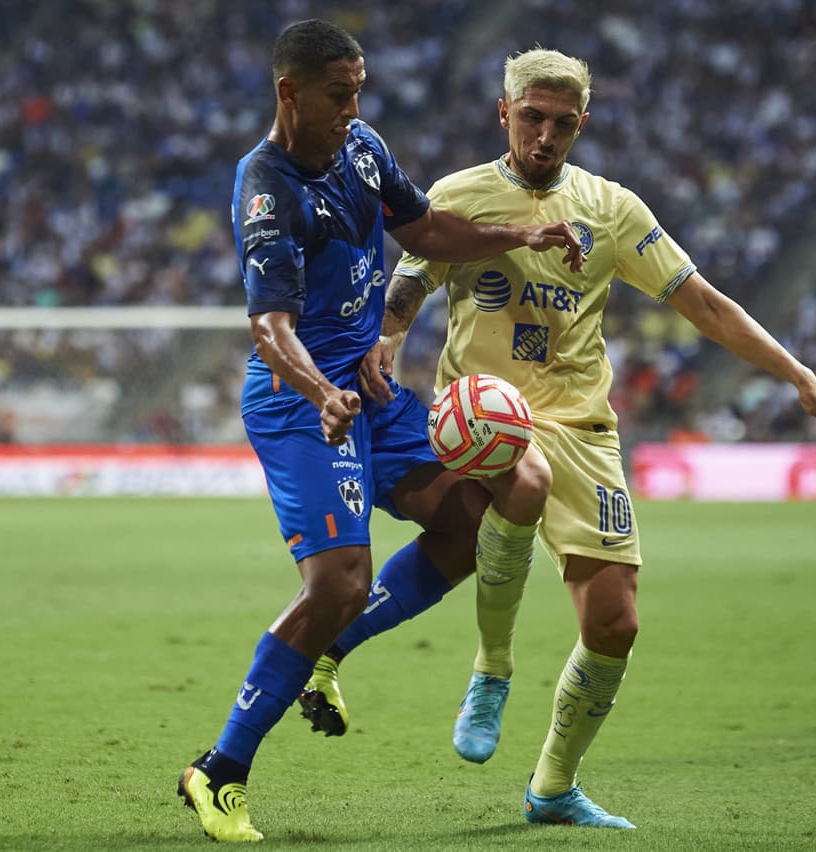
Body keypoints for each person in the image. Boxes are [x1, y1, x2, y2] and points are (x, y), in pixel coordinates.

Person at [300, 46, 816, 830]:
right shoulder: (459, 194)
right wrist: (391, 337)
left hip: (585, 427)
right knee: (521, 478)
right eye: (531, 117)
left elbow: (702, 303)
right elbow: (411, 276)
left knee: (615, 623)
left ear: (582, 125)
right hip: (486, 415)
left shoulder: (612, 210)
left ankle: (552, 788)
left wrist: (800, 375)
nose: (545, 135)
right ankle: (492, 670)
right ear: (504, 113)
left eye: (563, 123)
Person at [177, 21, 588, 843]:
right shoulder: (265, 189)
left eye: (359, 91)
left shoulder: (362, 147)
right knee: (336, 583)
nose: (353, 108)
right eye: (339, 94)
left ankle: (326, 657)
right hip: (304, 403)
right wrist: (322, 389)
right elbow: (270, 326)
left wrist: (519, 233)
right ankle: (217, 772)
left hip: (370, 394)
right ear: (290, 93)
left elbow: (427, 231)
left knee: (471, 523)